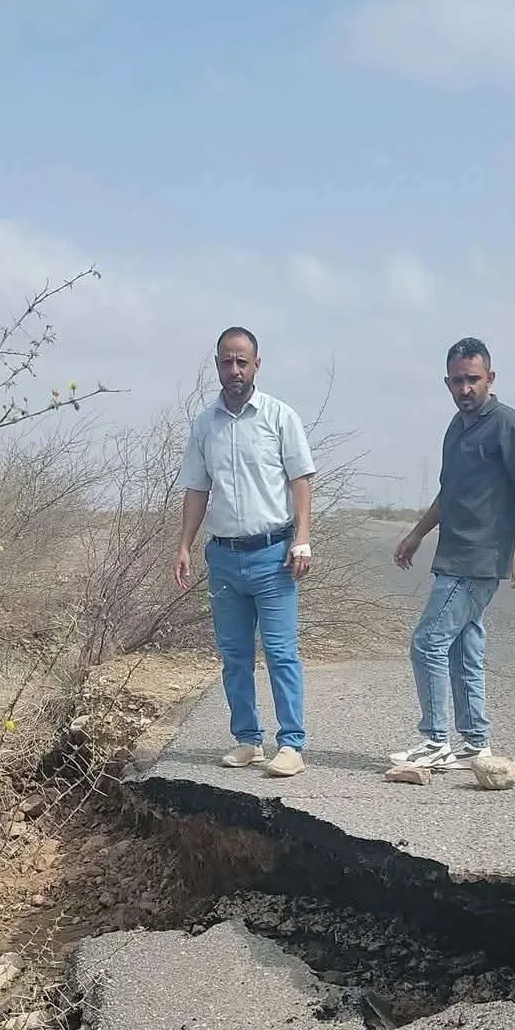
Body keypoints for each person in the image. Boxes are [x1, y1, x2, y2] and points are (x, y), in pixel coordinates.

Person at [390, 336, 515, 770]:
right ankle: (475, 743)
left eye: (474, 379)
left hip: (480, 557)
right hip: (451, 554)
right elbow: (449, 492)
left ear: (490, 378)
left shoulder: (506, 424)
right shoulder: (456, 428)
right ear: (447, 382)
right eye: (458, 381)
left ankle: (436, 739)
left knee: (428, 643)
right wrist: (417, 534)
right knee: (462, 648)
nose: (466, 389)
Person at [174, 327, 315, 778]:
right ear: (216, 364)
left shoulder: (279, 417)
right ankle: (247, 740)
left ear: (257, 365)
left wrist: (303, 537)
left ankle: (291, 743)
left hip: (274, 555)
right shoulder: (204, 424)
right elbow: (197, 488)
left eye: (242, 362)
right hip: (224, 558)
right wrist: (184, 546)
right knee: (234, 654)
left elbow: (300, 481)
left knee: (280, 652)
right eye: (226, 362)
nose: (234, 370)